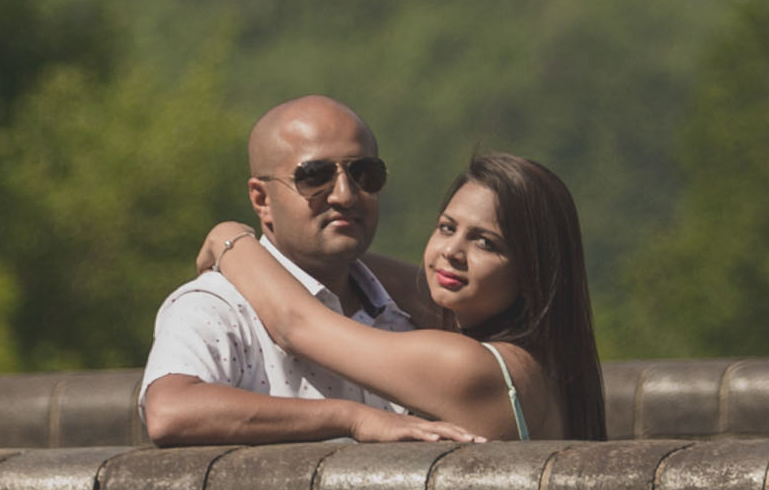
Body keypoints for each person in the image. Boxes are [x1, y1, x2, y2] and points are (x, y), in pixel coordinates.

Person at [196, 147, 608, 442]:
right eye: (447, 228)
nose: (452, 252)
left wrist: (229, 239)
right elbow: (388, 275)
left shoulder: (470, 368)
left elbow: (297, 325)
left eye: (485, 243)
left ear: (533, 271)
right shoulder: (545, 362)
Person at [142, 95, 475, 448]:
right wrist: (350, 418)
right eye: (315, 176)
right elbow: (171, 410)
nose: (345, 195)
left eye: (364, 174)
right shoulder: (217, 307)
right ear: (261, 200)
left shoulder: (408, 310)